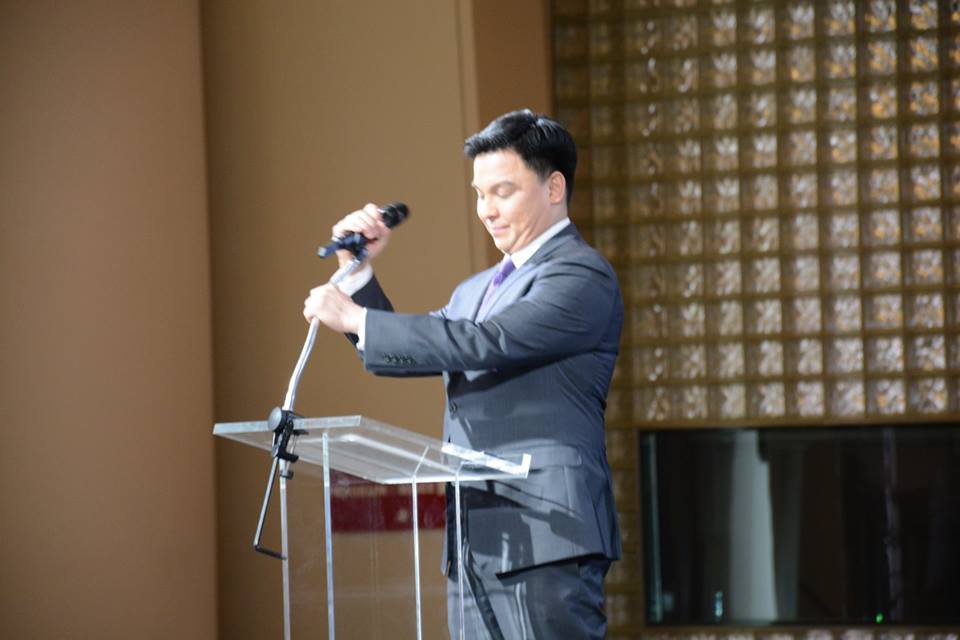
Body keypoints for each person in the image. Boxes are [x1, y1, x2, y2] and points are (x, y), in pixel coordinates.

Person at [303, 109, 623, 639]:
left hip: (549, 533)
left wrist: (357, 319)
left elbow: (485, 342)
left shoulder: (582, 273)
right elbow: (424, 348)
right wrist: (356, 275)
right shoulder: (475, 290)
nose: (487, 210)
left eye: (503, 192)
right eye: (479, 194)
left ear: (554, 188)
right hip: (475, 539)